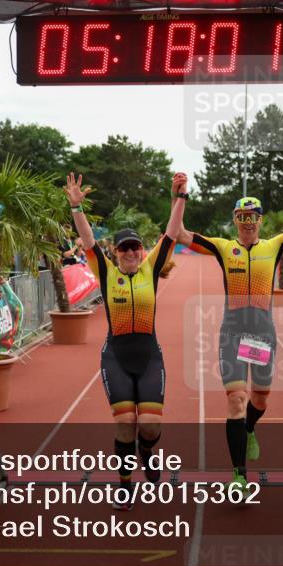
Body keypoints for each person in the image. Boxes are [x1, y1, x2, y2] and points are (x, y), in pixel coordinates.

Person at [171, 151, 283, 496]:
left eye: (253, 215)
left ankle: (250, 429)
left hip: (263, 334)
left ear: (261, 219)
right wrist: (178, 196)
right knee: (236, 400)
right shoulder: (224, 248)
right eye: (241, 216)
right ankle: (239, 474)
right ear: (235, 219)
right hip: (232, 333)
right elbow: (179, 234)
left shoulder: (275, 245)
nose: (248, 221)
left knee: (260, 399)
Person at [64, 171, 186, 511]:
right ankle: (124, 486)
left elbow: (172, 231)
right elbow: (87, 241)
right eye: (124, 248)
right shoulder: (107, 273)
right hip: (116, 356)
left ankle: (148, 452)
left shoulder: (150, 270)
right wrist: (76, 207)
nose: (131, 252)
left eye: (135, 247)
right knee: (124, 422)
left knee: (149, 425)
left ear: (142, 251)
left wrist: (180, 196)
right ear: (116, 253)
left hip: (149, 356)